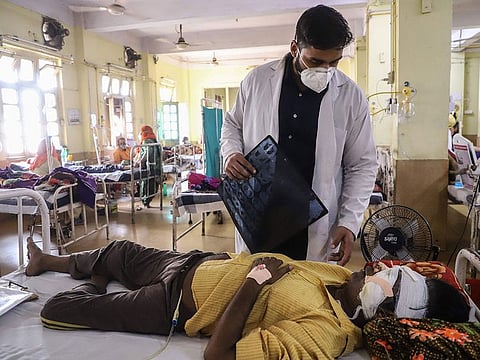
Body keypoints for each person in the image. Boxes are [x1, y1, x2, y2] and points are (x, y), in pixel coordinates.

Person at [26, 239, 470, 360]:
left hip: (175, 304)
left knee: (58, 309)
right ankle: (47, 259)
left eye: (392, 280)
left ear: (384, 310)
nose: (379, 268)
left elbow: (219, 355)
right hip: (192, 262)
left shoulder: (326, 333)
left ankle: (94, 283)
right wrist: (235, 263)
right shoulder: (339, 276)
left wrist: (255, 281)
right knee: (119, 250)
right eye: (392, 267)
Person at [220, 4, 377, 265]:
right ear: (295, 48)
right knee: (254, 286)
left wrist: (349, 222)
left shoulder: (350, 96)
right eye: (315, 61)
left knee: (305, 294)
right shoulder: (257, 81)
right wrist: (231, 152)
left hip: (312, 222)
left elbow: (361, 165)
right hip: (261, 212)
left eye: (333, 63)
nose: (325, 71)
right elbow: (232, 124)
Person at [134, 125, 162, 208]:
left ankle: (146, 201)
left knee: (147, 184)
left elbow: (147, 153)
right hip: (156, 166)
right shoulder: (154, 140)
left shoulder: (146, 141)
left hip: (149, 167)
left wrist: (140, 161)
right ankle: (148, 201)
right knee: (153, 184)